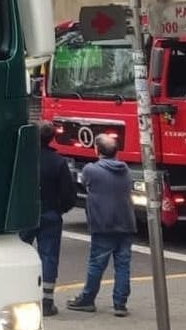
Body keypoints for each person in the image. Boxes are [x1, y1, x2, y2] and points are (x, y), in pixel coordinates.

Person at [67, 134, 136, 316]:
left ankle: (87, 299)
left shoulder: (91, 169)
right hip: (126, 222)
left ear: (97, 150)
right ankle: (120, 304)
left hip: (103, 222)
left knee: (97, 263)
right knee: (123, 264)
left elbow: (85, 184)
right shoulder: (126, 170)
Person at [21, 121, 76, 316]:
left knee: (20, 253)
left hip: (25, 213)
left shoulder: (23, 159)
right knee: (49, 256)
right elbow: (69, 194)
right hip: (50, 213)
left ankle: (19, 293)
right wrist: (59, 209)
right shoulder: (58, 161)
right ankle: (47, 299)